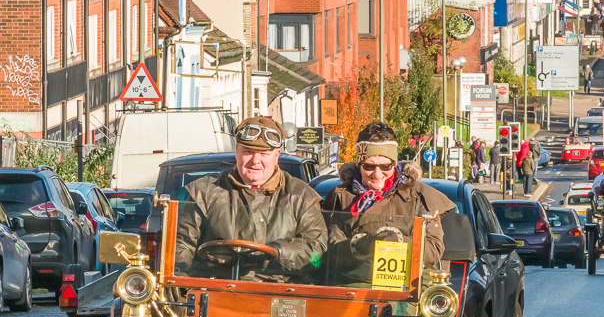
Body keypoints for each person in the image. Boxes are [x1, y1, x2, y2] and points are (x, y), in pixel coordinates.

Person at [175, 116, 328, 278]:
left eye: (264, 154)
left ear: (276, 156)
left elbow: (316, 249)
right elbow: (181, 242)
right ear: (237, 151)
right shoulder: (203, 192)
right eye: (248, 152)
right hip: (217, 288)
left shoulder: (302, 196)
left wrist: (276, 252)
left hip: (279, 291)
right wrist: (179, 273)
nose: (255, 161)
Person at [324, 121, 454, 277]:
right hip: (353, 284)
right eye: (369, 166)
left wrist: (397, 242)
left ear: (394, 163)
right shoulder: (341, 196)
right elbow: (328, 247)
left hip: (408, 285)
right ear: (359, 164)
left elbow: (433, 249)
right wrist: (360, 244)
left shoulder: (419, 196)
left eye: (385, 166)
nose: (377, 174)